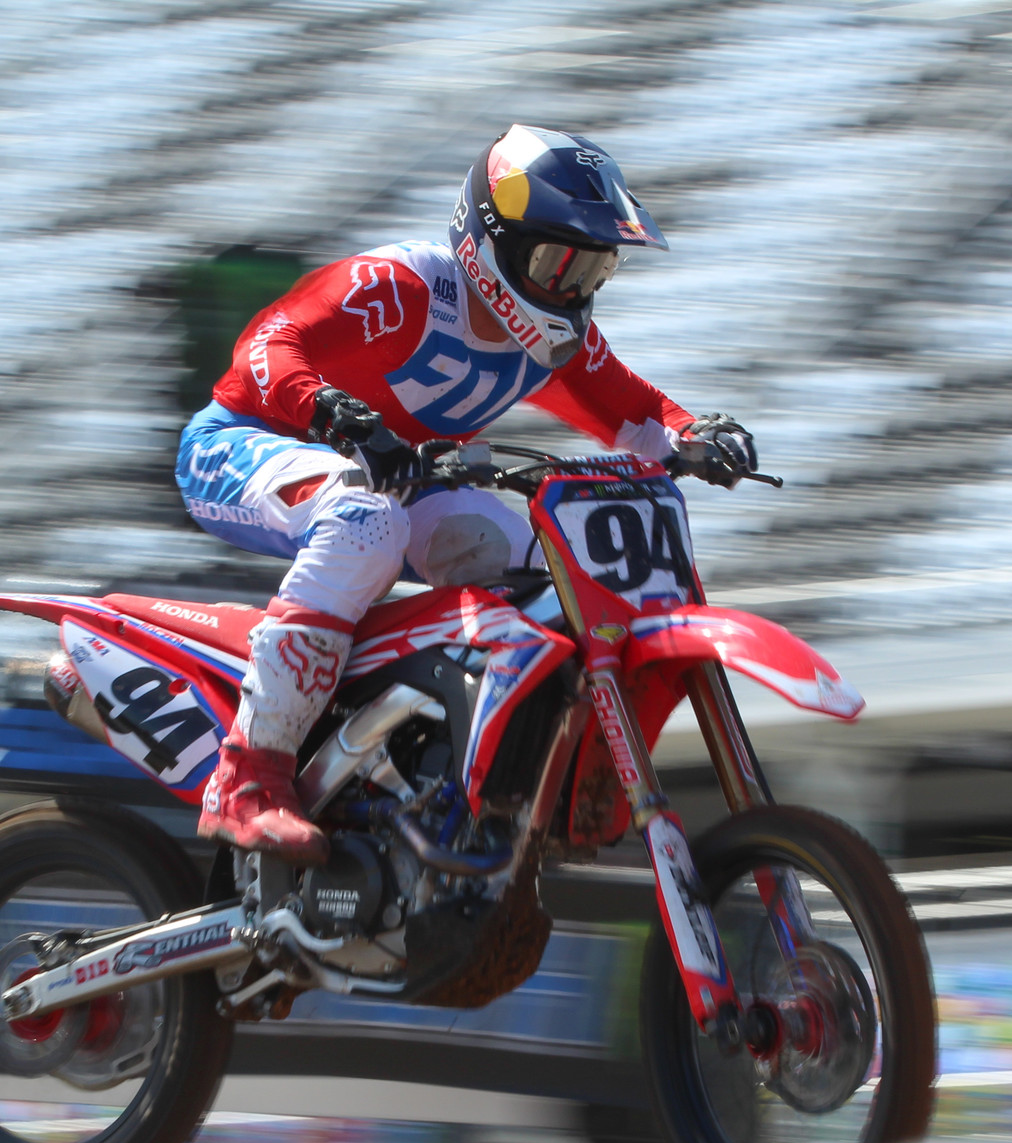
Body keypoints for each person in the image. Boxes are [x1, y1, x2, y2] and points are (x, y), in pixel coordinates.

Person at [176, 124, 760, 863]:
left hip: (402, 475)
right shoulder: (399, 289)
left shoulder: (555, 340)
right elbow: (266, 342)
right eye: (558, 264)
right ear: (494, 244)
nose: (575, 291)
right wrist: (330, 410)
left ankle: (446, 776)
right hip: (241, 443)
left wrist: (698, 436)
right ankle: (247, 774)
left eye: (593, 271)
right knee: (366, 523)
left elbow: (638, 414)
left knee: (537, 580)